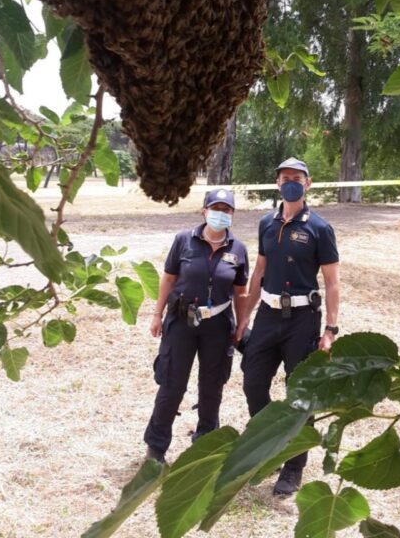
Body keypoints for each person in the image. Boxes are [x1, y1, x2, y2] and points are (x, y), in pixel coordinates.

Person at [235, 158, 340, 496]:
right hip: (267, 314)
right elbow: (259, 271)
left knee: (300, 395)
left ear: (308, 184)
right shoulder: (267, 223)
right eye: (284, 178)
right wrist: (245, 317)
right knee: (253, 384)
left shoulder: (320, 228)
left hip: (302, 320)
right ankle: (272, 443)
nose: (290, 182)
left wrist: (331, 329)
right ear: (277, 183)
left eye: (297, 178)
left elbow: (332, 283)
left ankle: (293, 467)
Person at [144, 188, 248, 462]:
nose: (220, 214)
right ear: (204, 211)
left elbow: (241, 291)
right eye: (216, 208)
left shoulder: (238, 249)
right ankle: (156, 447)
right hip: (181, 321)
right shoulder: (183, 240)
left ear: (232, 214)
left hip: (218, 325)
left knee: (212, 385)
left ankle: (205, 444)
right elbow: (168, 279)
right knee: (172, 383)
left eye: (226, 210)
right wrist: (157, 313)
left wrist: (241, 324)